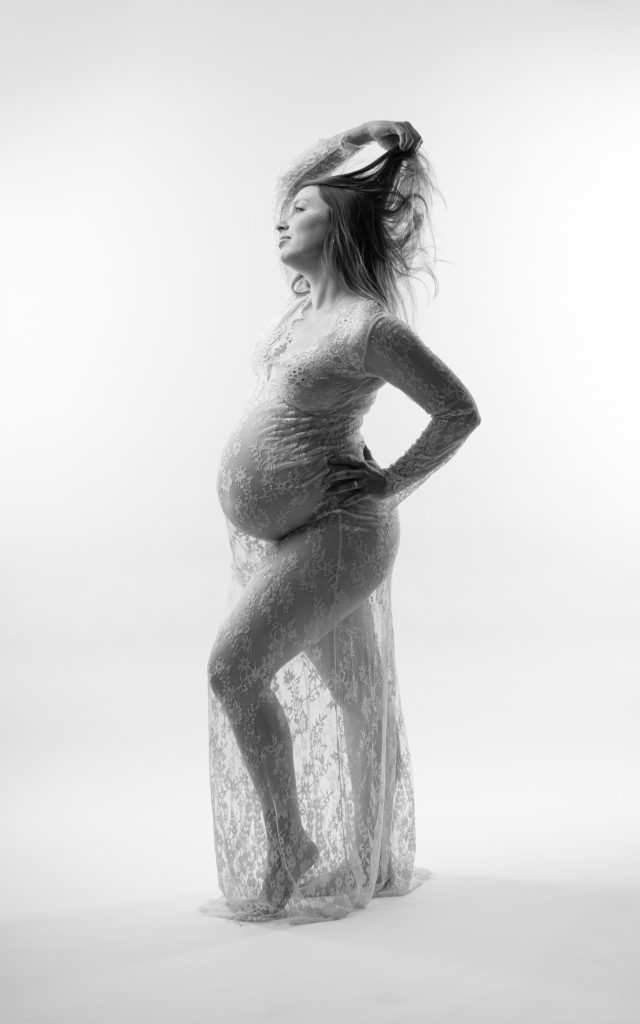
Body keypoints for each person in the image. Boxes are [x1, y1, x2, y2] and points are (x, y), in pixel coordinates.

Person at [202, 120, 481, 924]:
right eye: (284, 210)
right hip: (303, 533)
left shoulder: (367, 325)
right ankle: (374, 855)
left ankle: (294, 842)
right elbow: (294, 179)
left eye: (303, 210)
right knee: (357, 696)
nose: (282, 220)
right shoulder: (307, 312)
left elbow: (458, 411)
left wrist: (390, 483)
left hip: (339, 535)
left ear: (343, 226)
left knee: (233, 671)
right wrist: (362, 136)